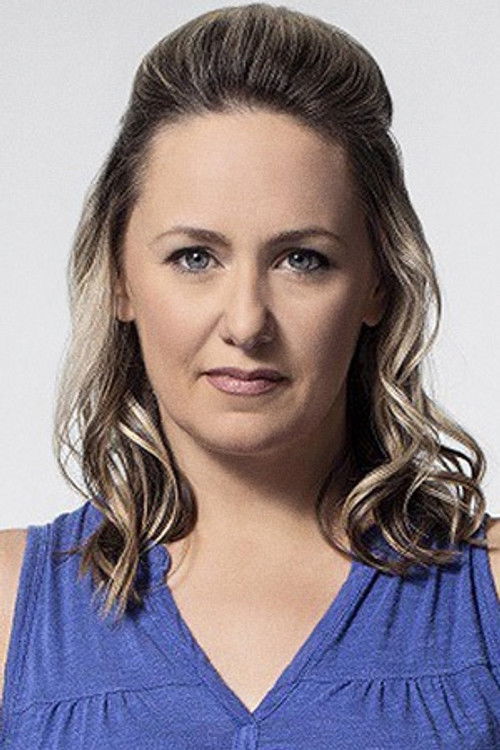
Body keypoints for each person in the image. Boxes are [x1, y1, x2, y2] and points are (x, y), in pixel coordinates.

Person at [1, 3, 499, 747]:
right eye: (194, 257)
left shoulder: (489, 597)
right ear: (120, 278)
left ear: (377, 285)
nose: (246, 322)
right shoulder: (10, 609)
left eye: (302, 259)